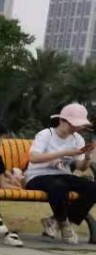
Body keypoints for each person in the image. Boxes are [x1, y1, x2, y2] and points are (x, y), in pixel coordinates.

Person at [25, 104, 96, 245]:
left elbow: (81, 168)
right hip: (38, 176)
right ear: (62, 120)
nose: (76, 128)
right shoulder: (46, 134)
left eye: (78, 125)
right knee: (59, 186)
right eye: (73, 124)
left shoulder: (77, 139)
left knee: (93, 187)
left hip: (63, 176)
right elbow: (33, 158)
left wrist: (87, 157)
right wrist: (64, 153)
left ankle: (57, 221)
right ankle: (63, 223)